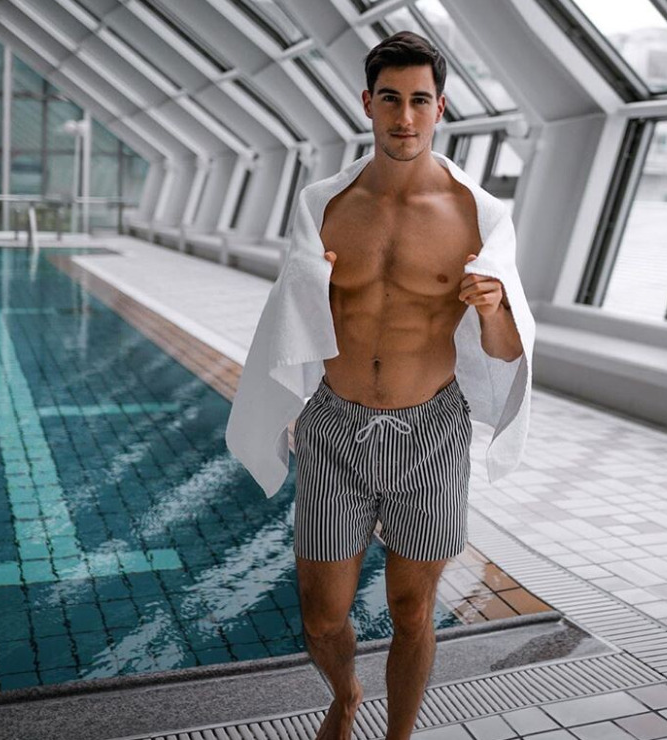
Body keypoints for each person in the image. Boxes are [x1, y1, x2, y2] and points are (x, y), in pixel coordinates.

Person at [226, 29, 535, 740]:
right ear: (366, 104)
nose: (404, 117)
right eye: (390, 99)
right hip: (334, 429)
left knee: (411, 610)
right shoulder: (323, 205)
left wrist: (492, 309)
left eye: (419, 100)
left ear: (441, 108)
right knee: (321, 615)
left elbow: (507, 350)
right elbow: (290, 317)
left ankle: (397, 735)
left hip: (430, 434)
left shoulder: (478, 216)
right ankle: (344, 696)